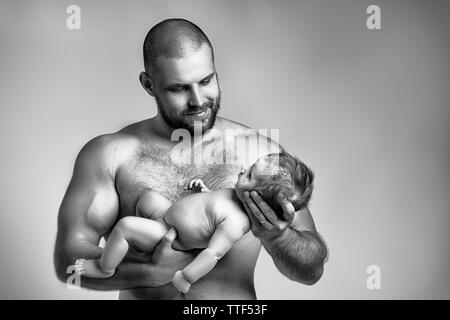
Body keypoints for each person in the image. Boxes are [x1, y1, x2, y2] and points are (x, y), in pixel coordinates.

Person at [53, 18, 328, 299]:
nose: (198, 100)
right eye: (179, 88)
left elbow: (312, 271)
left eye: (206, 81)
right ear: (149, 85)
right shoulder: (110, 155)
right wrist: (150, 273)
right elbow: (67, 265)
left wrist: (278, 237)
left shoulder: (261, 156)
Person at [73, 152, 314, 294]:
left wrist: (186, 277)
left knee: (126, 226)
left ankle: (105, 267)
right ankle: (138, 246)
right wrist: (204, 191)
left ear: (258, 198)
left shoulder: (236, 223)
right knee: (148, 199)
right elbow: (212, 206)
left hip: (171, 236)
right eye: (250, 167)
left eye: (250, 175)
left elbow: (212, 253)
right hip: (167, 214)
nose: (243, 169)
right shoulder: (235, 195)